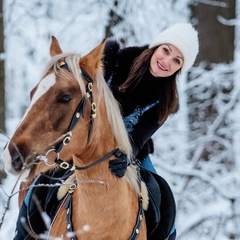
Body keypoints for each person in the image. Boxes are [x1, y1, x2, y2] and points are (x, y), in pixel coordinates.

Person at [105, 23, 199, 239]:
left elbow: (138, 137)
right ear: (156, 47)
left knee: (161, 195)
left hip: (127, 148)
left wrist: (125, 155)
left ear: (180, 69)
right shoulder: (114, 60)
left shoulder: (166, 101)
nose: (167, 62)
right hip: (86, 137)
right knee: (43, 176)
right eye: (166, 50)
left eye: (177, 60)